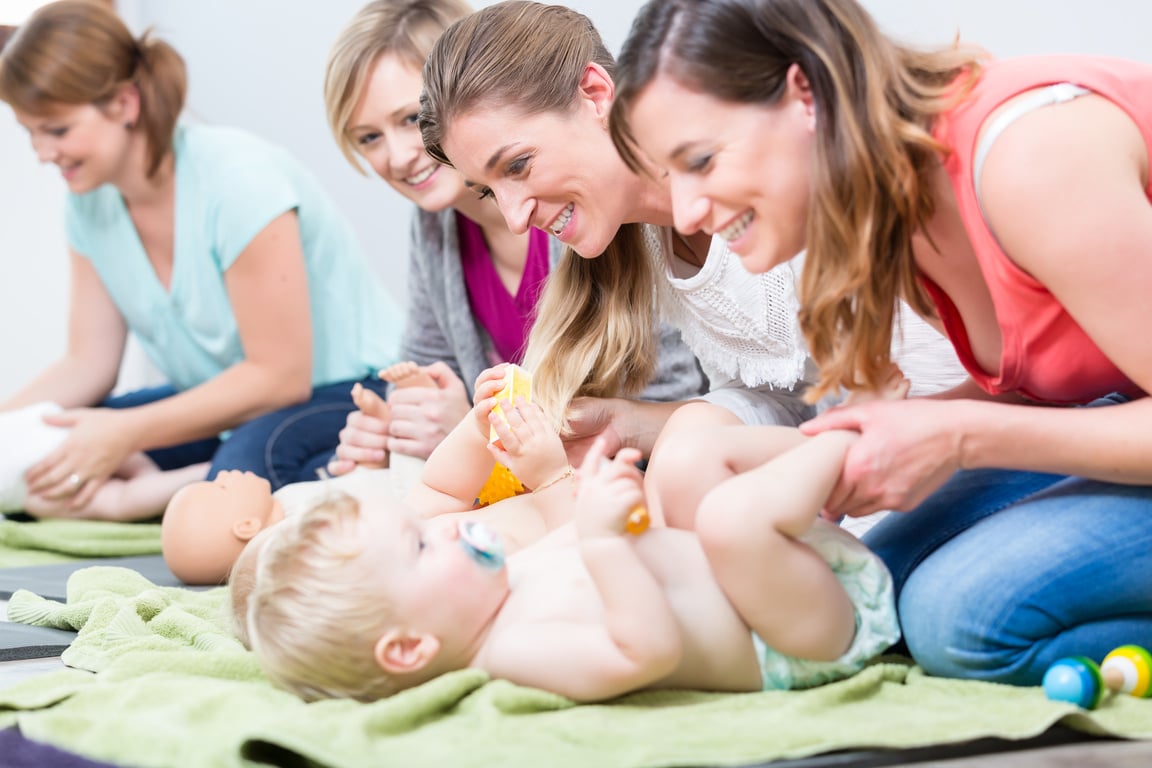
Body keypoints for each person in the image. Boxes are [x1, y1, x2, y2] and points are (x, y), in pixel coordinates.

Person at [608, 0, 1152, 685]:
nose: (686, 211)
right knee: (874, 592)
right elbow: (1069, 371)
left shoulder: (1029, 161)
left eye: (702, 160)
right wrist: (893, 433)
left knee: (955, 620)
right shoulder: (893, 204)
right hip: (1119, 409)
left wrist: (958, 438)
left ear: (804, 90)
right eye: (670, 176)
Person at [417, 1, 964, 516]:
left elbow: (922, 393)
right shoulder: (646, 240)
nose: (515, 218)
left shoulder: (762, 181)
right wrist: (637, 425)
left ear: (594, 92)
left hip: (949, 452)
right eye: (488, 191)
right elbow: (789, 395)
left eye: (517, 166)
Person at [0, 1, 403, 509]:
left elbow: (279, 378)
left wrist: (125, 435)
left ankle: (149, 494)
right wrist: (8, 429)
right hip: (230, 402)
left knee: (245, 469)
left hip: (347, 391)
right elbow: (87, 363)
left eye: (56, 130)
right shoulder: (88, 206)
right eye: (30, 132)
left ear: (125, 104)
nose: (41, 153)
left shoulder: (237, 181)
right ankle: (188, 480)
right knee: (56, 445)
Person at [241, 419, 899, 703]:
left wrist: (605, 497)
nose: (446, 532)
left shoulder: (501, 588)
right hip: (799, 638)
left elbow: (609, 534)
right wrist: (605, 543)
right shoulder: (511, 652)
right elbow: (645, 652)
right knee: (732, 522)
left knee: (687, 457)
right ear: (410, 647)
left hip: (770, 579)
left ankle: (848, 455)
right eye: (418, 547)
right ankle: (859, 443)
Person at [319, 0, 705, 477]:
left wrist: (469, 438)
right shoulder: (436, 229)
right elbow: (427, 372)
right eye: (368, 138)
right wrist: (398, 425)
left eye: (409, 120)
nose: (399, 156)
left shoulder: (598, 213)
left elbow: (694, 409)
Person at [172, 361, 566, 586]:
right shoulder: (495, 582)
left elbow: (440, 488)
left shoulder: (407, 530)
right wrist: (554, 479)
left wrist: (475, 426)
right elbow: (581, 545)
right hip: (581, 513)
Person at [1, 401, 207, 521]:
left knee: (122, 500)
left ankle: (201, 474)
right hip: (57, 428)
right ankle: (196, 474)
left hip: (40, 478)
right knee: (126, 493)